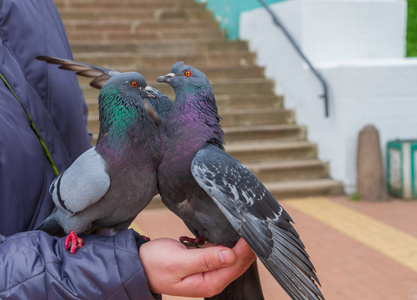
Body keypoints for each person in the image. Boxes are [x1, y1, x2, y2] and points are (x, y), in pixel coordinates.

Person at [0, 0, 256, 299]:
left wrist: (120, 255)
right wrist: (122, 264)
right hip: (69, 232)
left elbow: (70, 120)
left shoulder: (35, 6)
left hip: (96, 242)